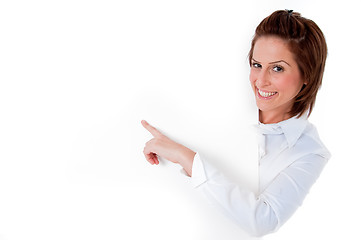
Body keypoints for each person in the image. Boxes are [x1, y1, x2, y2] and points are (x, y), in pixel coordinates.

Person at [141, 10, 330, 237]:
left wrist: (185, 157)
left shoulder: (309, 152)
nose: (260, 80)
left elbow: (263, 220)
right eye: (256, 64)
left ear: (306, 74)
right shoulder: (223, 106)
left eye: (277, 68)